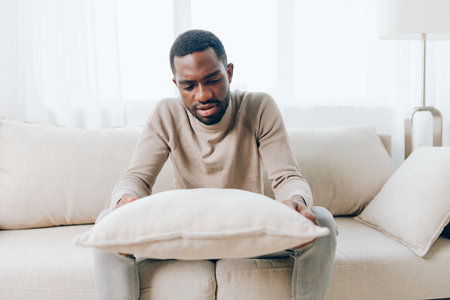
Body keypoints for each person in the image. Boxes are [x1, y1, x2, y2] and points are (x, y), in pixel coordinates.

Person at [94, 29, 337, 300]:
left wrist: (295, 202)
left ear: (229, 72)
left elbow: (287, 178)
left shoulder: (259, 107)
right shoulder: (167, 113)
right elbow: (136, 179)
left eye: (213, 80)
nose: (203, 95)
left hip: (247, 232)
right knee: (108, 222)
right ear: (176, 84)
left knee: (322, 221)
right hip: (187, 236)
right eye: (189, 86)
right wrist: (124, 202)